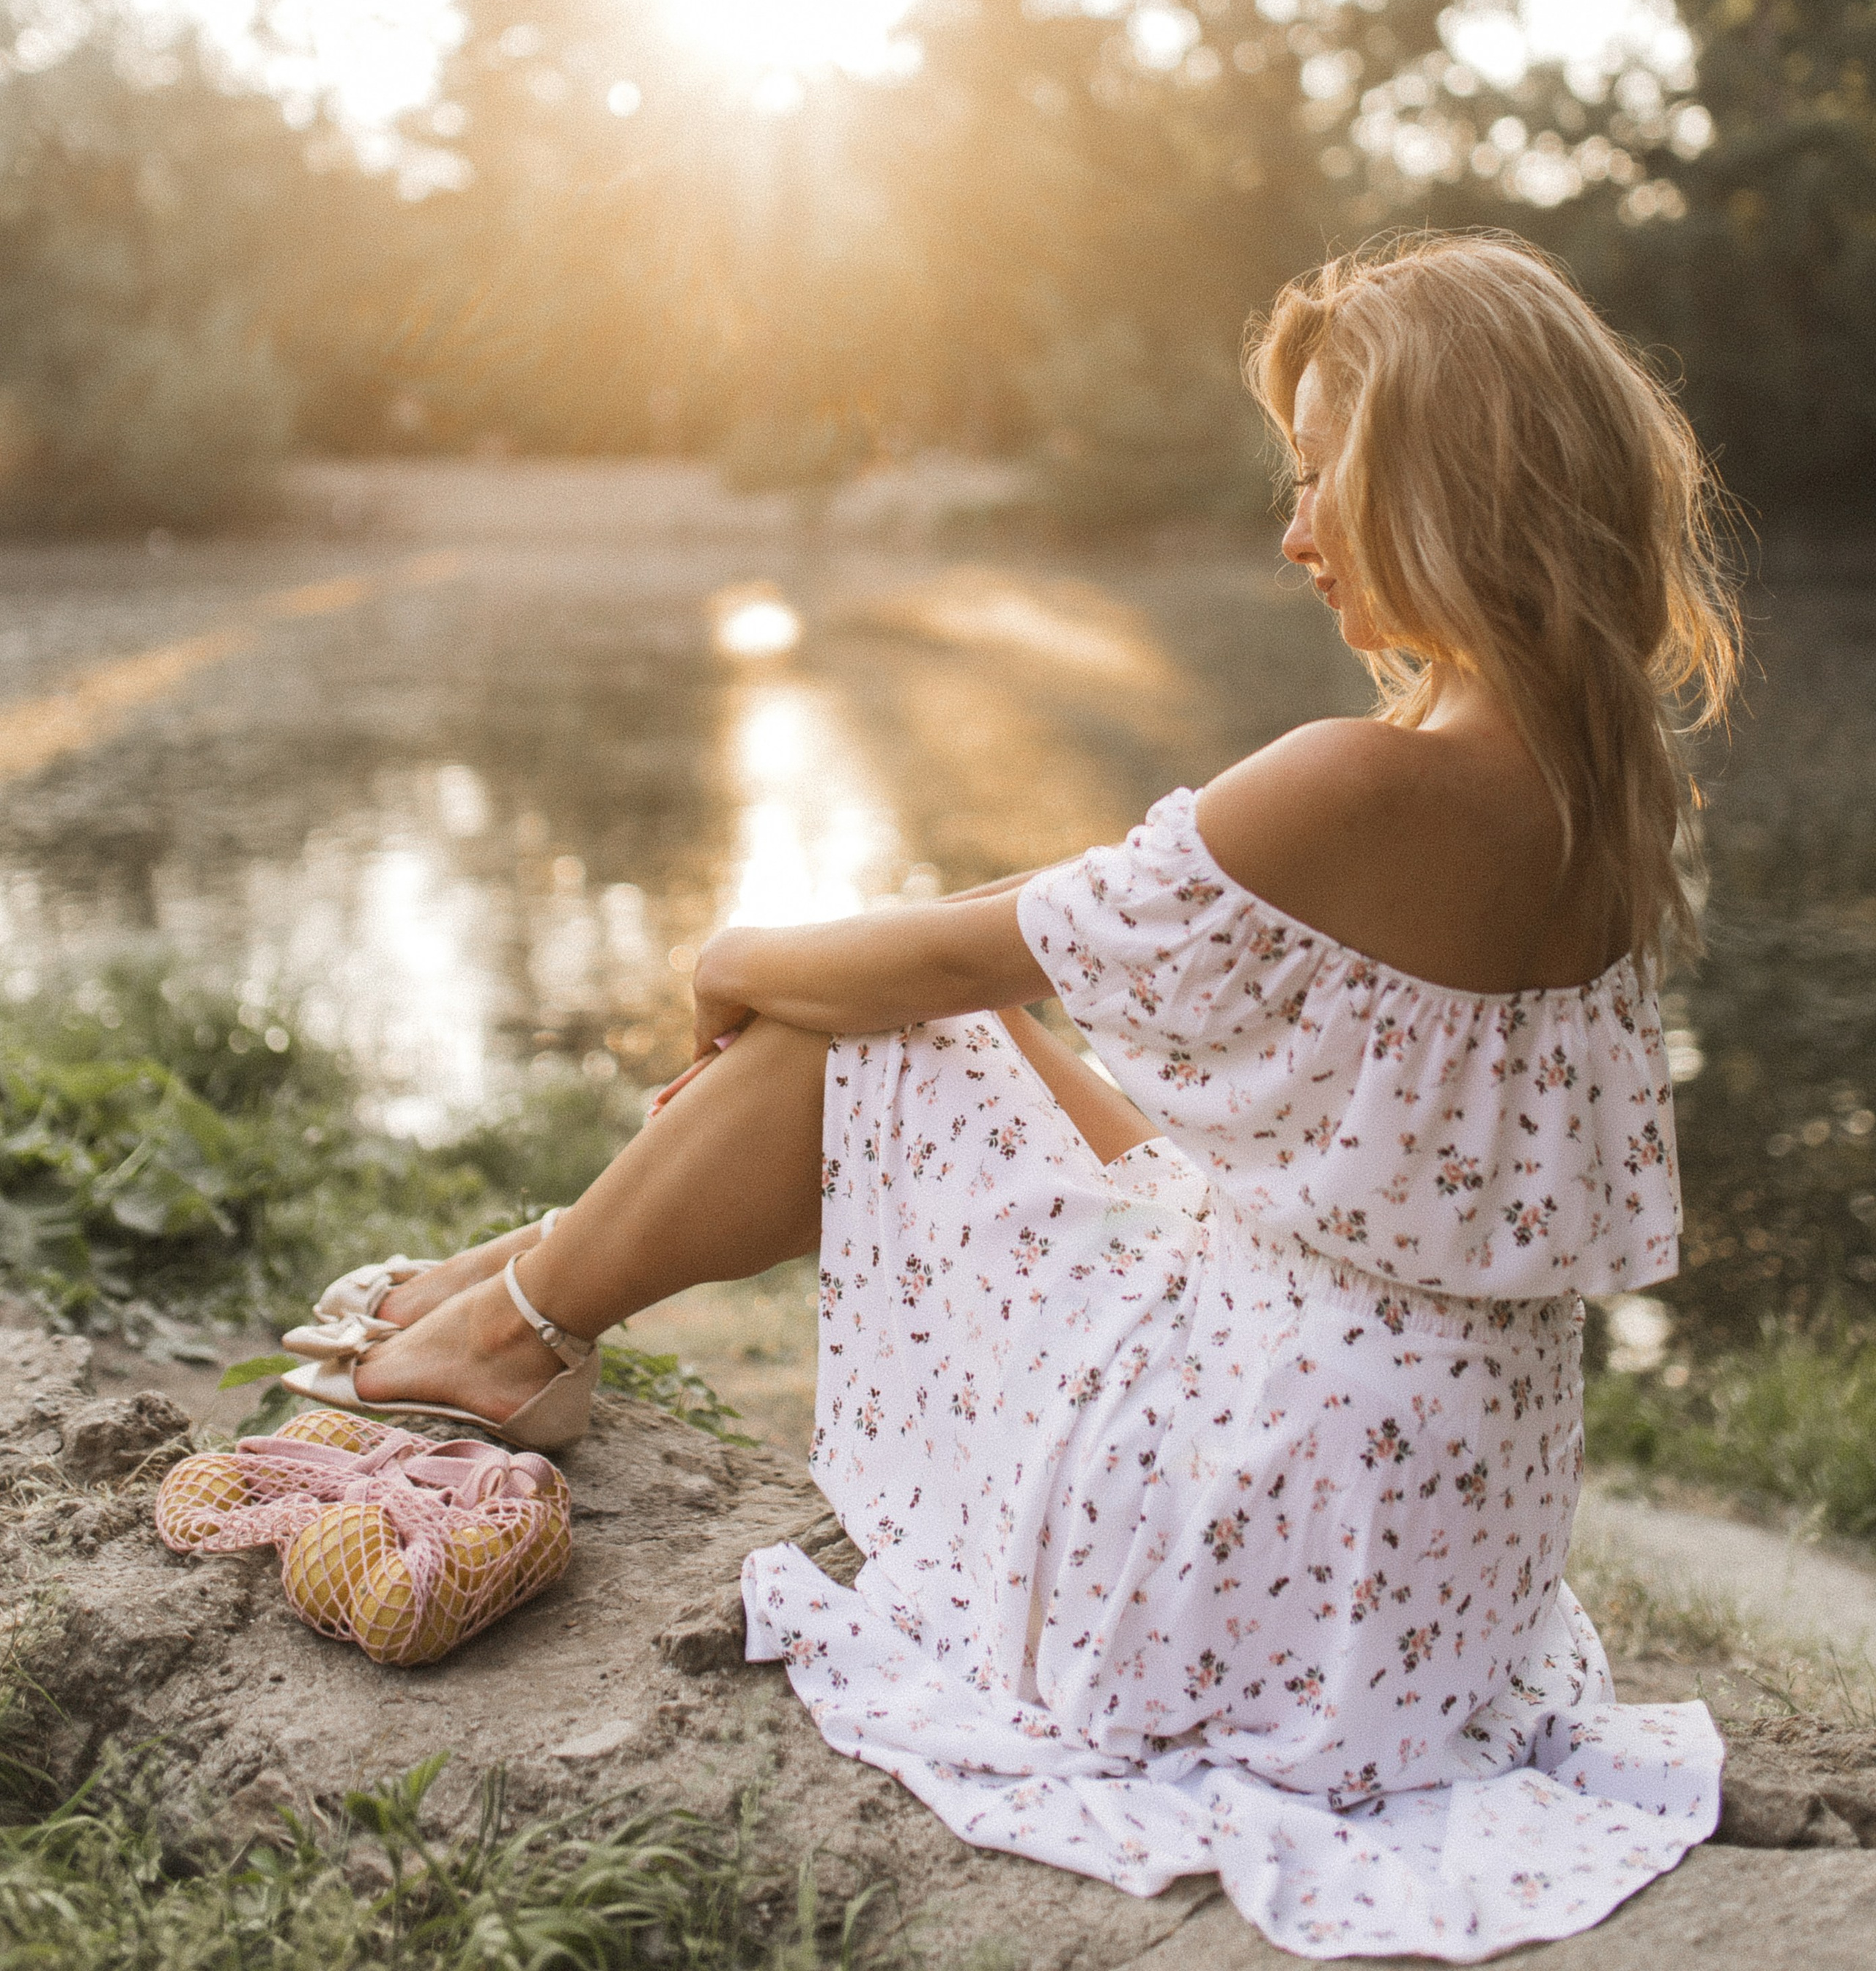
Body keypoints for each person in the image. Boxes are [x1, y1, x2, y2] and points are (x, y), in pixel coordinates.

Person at [284, 234, 1738, 1960]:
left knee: (864, 1037)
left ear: (1444, 476)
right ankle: (531, 1275)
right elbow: (1230, 1112)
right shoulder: (1605, 784)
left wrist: (732, 951)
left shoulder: (1356, 780)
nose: (1291, 540)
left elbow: (954, 953)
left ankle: (516, 1328)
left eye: (1317, 481)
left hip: (1255, 1509)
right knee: (989, 1058)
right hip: (1437, 1532)